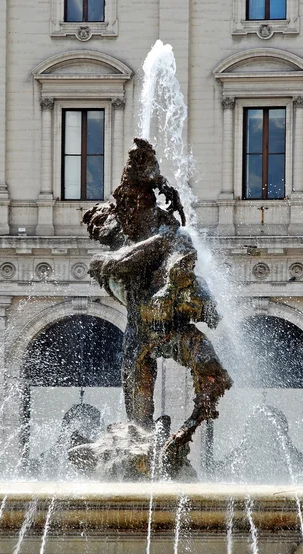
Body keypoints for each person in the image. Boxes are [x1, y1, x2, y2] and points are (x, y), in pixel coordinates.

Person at [83, 138, 232, 452]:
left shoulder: (172, 238)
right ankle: (139, 440)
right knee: (137, 415)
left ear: (144, 207)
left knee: (212, 370)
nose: (123, 218)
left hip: (172, 327)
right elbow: (111, 253)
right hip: (140, 330)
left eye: (129, 209)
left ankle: (183, 435)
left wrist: (198, 299)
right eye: (119, 210)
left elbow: (176, 261)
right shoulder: (125, 231)